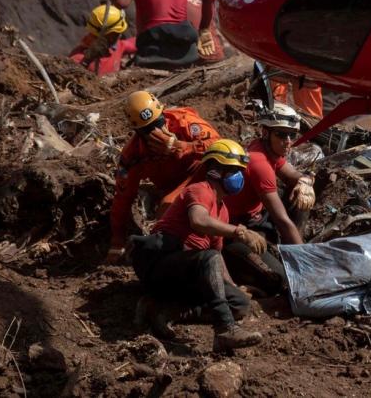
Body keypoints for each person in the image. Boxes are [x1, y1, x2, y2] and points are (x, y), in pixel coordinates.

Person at [130, 139, 266, 351]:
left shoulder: (223, 211)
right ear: (215, 170)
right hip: (159, 263)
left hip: (186, 272)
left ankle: (162, 310)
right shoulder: (201, 190)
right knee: (207, 257)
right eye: (233, 171)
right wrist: (239, 231)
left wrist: (232, 286)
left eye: (239, 171)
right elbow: (198, 221)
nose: (238, 177)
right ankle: (225, 330)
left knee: (239, 304)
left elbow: (217, 258)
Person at [107, 91, 220, 262]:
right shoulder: (134, 155)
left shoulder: (183, 122)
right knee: (167, 210)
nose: (158, 131)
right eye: (148, 130)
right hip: (173, 188)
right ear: (138, 132)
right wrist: (117, 240)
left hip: (203, 173)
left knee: (169, 204)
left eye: (159, 123)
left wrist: (184, 146)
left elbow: (219, 144)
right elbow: (123, 197)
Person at [223, 103, 315, 293]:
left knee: (299, 193)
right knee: (279, 281)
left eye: (292, 135)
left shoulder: (270, 150)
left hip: (258, 220)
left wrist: (305, 182)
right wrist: (308, 264)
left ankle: (289, 249)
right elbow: (282, 220)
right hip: (236, 232)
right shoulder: (259, 162)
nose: (288, 141)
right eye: (281, 134)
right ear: (266, 133)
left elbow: (292, 176)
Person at [69, 4, 137, 75]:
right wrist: (87, 60)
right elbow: (72, 76)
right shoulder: (78, 58)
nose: (120, 35)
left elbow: (137, 43)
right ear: (110, 34)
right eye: (117, 33)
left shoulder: (117, 47)